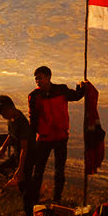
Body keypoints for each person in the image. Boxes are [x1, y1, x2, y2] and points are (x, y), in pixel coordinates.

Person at [28, 66, 84, 206]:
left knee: (59, 170)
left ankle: (57, 199)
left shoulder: (61, 90)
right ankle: (35, 200)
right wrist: (31, 138)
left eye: (40, 77)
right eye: (36, 78)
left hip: (60, 137)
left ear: (48, 77)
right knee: (38, 170)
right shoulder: (34, 96)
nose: (37, 81)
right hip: (44, 138)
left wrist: (81, 86)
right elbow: (33, 119)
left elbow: (76, 96)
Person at [0, 95, 35, 216]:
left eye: (2, 112)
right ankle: (15, 180)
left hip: (26, 157)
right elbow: (11, 135)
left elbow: (24, 149)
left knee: (24, 186)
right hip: (17, 154)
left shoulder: (22, 123)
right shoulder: (11, 119)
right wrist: (3, 148)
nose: (2, 115)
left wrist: (20, 169)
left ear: (9, 108)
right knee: (3, 167)